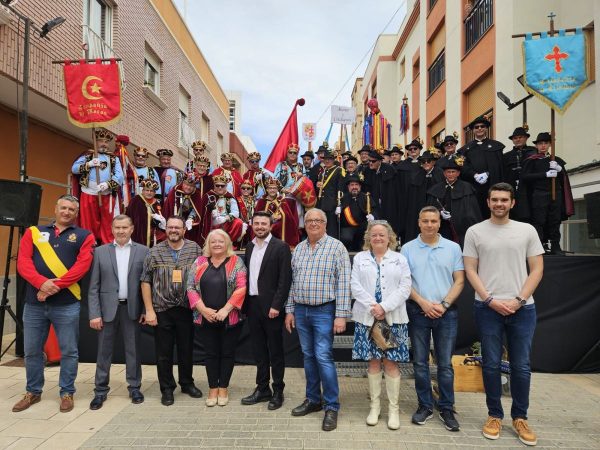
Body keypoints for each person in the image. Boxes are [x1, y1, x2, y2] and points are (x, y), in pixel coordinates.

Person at [463, 182, 545, 446]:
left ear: (512, 203)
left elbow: (537, 269)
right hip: (487, 308)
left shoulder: (526, 231)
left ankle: (520, 417)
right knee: (491, 363)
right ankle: (494, 415)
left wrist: (519, 300)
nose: (499, 204)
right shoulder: (475, 232)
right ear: (488, 202)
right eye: (495, 199)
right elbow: (471, 270)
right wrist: (489, 299)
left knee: (521, 366)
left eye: (504, 200)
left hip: (522, 308)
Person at [13, 195, 95, 413]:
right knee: (31, 351)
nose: (67, 212)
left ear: (76, 213)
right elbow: (23, 263)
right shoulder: (34, 232)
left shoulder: (84, 236)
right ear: (56, 208)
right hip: (34, 303)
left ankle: (66, 392)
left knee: (69, 351)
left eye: (71, 209)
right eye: (63, 207)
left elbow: (82, 267)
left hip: (67, 304)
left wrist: (52, 287)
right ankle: (33, 391)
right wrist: (41, 283)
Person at [285, 208, 351, 431]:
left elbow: (343, 283)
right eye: (310, 220)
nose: (313, 224)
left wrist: (341, 315)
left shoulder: (337, 247)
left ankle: (331, 406)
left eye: (318, 220)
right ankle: (313, 400)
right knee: (308, 355)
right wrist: (290, 309)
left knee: (323, 356)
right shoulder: (300, 249)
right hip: (301, 311)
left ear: (325, 224)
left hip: (324, 311)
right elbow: (292, 283)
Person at [401, 206, 465, 432]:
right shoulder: (407, 249)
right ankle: (425, 405)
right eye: (425, 221)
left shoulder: (453, 248)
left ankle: (447, 407)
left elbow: (459, 280)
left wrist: (444, 304)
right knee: (420, 363)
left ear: (440, 223)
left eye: (433, 221)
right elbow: (405, 283)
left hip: (447, 313)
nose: (429, 225)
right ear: (419, 223)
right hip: (418, 311)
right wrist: (424, 303)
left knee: (445, 365)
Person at [351, 220, 411, 430]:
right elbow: (355, 286)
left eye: (382, 235)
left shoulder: (400, 259)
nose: (377, 238)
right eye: (374, 235)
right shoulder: (359, 258)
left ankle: (393, 410)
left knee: (392, 363)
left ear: (389, 238)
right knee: (374, 362)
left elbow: (405, 288)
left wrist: (384, 307)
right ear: (369, 237)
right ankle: (374, 407)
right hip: (367, 318)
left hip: (392, 318)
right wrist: (373, 307)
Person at [140, 216, 203, 406]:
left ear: (184, 230)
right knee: (163, 352)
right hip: (162, 309)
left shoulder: (195, 249)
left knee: (186, 349)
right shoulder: (154, 251)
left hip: (186, 308)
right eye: (170, 227)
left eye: (177, 227)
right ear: (165, 229)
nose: (173, 230)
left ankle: (187, 383)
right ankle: (167, 388)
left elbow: (202, 275)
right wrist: (149, 310)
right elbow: (145, 281)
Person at [88, 215, 149, 410]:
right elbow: (93, 287)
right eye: (117, 227)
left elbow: (146, 284)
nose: (121, 231)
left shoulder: (144, 251)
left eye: (124, 227)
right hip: (106, 310)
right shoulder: (100, 252)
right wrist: (94, 313)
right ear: (112, 229)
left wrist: (145, 309)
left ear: (131, 229)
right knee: (104, 352)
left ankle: (134, 387)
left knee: (133, 350)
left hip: (132, 309)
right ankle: (100, 391)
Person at [187, 229, 247, 406]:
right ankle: (213, 388)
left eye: (221, 241)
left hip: (230, 318)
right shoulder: (199, 262)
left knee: (227, 353)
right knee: (211, 354)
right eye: (213, 242)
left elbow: (242, 287)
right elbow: (190, 287)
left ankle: (224, 388)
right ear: (208, 245)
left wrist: (226, 310)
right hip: (205, 318)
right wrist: (203, 309)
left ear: (227, 243)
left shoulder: (236, 262)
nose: (217, 244)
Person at [241, 212, 292, 410]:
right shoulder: (250, 246)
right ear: (252, 225)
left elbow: (284, 279)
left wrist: (276, 306)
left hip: (272, 308)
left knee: (276, 351)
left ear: (271, 226)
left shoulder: (281, 247)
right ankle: (262, 388)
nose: (260, 227)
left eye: (264, 224)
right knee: (259, 350)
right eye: (257, 223)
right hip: (252, 306)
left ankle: (278, 390)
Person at [518, 132, 574, 254]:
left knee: (555, 220)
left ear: (550, 145)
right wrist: (545, 174)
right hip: (539, 194)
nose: (543, 146)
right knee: (539, 221)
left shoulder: (556, 160)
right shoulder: (531, 161)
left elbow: (563, 179)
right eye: (540, 143)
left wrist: (559, 170)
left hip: (556, 194)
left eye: (546, 143)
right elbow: (525, 177)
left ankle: (555, 245)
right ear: (536, 146)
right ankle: (540, 245)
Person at [71, 129, 125, 244]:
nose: (104, 144)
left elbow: (120, 176)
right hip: (88, 193)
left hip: (106, 194)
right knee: (88, 222)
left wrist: (107, 184)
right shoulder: (88, 156)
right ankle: (89, 244)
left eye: (106, 141)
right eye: (101, 141)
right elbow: (74, 169)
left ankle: (107, 246)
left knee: (107, 223)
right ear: (95, 142)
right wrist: (88, 164)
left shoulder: (113, 159)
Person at [427, 155, 482, 247]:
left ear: (458, 173)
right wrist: (440, 213)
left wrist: (458, 216)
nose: (451, 174)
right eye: (448, 172)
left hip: (462, 228)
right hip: (442, 227)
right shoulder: (436, 188)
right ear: (444, 173)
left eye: (453, 172)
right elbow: (430, 208)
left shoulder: (466, 187)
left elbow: (471, 211)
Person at [458, 116, 505, 216]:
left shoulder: (496, 146)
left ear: (486, 128)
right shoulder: (465, 149)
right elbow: (463, 167)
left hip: (493, 187)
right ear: (473, 130)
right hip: (474, 188)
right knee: (476, 214)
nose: (479, 128)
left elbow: (500, 167)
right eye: (476, 127)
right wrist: (474, 175)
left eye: (482, 126)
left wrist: (488, 173)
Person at [404, 149, 445, 243]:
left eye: (428, 161)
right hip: (419, 206)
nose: (426, 163)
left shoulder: (440, 174)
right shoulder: (417, 174)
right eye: (423, 161)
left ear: (433, 162)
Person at [198, 175, 247, 247]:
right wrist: (211, 214)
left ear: (226, 186)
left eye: (222, 186)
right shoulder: (208, 196)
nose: (220, 187)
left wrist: (225, 218)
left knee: (238, 222)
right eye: (217, 185)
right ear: (214, 186)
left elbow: (236, 212)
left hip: (226, 223)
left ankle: (228, 243)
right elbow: (202, 211)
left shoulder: (230, 197)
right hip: (211, 223)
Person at [254, 178, 299, 247]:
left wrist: (282, 216)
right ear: (267, 189)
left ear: (277, 189)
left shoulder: (282, 201)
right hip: (265, 226)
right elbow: (257, 217)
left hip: (280, 228)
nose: (272, 190)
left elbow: (289, 217)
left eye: (274, 188)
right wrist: (270, 218)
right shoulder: (261, 202)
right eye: (270, 188)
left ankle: (282, 246)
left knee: (279, 225)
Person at [162, 171, 204, 243]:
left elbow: (196, 209)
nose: (188, 188)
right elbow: (170, 207)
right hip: (175, 218)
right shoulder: (175, 191)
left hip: (188, 221)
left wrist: (191, 219)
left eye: (191, 186)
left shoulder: (196, 194)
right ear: (183, 183)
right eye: (186, 185)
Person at [125, 179, 166, 247]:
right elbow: (128, 219)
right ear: (143, 191)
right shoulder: (135, 201)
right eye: (147, 190)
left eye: (151, 191)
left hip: (152, 238)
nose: (149, 193)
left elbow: (159, 223)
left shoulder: (157, 204)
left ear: (155, 192)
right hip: (137, 236)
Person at [338, 175, 373, 251]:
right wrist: (337, 211)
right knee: (346, 238)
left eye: (356, 185)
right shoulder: (343, 198)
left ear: (360, 186)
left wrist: (372, 216)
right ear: (348, 187)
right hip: (347, 227)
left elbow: (374, 210)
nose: (354, 187)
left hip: (363, 227)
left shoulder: (366, 197)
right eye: (352, 185)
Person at [315, 149, 343, 239]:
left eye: (330, 159)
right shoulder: (322, 172)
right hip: (321, 203)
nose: (327, 161)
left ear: (334, 160)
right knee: (321, 227)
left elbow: (340, 188)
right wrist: (317, 185)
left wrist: (339, 204)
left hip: (332, 204)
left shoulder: (338, 170)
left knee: (332, 229)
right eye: (325, 159)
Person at [502, 127, 536, 196]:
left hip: (532, 187)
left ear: (526, 138)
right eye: (515, 138)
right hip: (513, 189)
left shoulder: (534, 152)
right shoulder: (506, 156)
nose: (518, 140)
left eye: (520, 137)